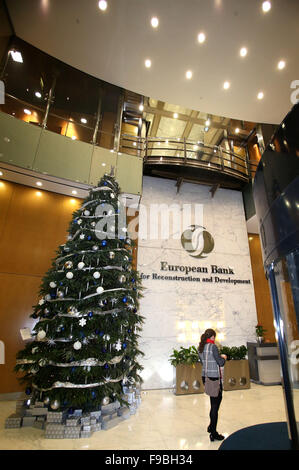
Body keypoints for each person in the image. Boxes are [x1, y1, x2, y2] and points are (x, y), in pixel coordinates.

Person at [198, 328, 227, 442]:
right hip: (214, 377)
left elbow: (203, 362)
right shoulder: (213, 347)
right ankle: (214, 433)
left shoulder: (200, 348)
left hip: (205, 377)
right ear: (213, 337)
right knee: (215, 405)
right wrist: (224, 358)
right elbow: (220, 362)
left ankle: (211, 426)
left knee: (213, 403)